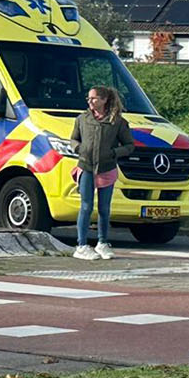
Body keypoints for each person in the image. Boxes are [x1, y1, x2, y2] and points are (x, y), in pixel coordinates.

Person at [70, 86, 136, 260]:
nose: (90, 101)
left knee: (104, 208)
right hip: (86, 167)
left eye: (94, 98)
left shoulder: (118, 122)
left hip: (107, 168)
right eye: (89, 98)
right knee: (86, 206)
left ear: (104, 100)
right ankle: (82, 245)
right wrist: (79, 148)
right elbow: (73, 139)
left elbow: (129, 146)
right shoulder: (82, 119)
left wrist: (114, 153)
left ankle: (102, 242)